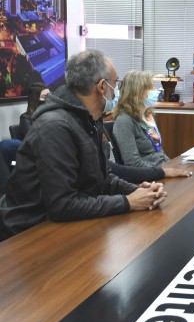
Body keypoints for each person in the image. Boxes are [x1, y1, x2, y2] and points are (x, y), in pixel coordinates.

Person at [0, 49, 167, 240]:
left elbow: (103, 178)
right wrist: (128, 202)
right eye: (116, 83)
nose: (118, 90)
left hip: (63, 226)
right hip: (28, 235)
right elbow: (63, 205)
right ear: (102, 87)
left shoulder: (89, 119)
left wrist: (137, 191)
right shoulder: (55, 127)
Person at [112, 70, 169, 167]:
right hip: (149, 177)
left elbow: (158, 151)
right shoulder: (124, 121)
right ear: (138, 92)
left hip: (161, 168)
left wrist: (173, 165)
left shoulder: (147, 115)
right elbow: (133, 163)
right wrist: (163, 172)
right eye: (151, 87)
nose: (155, 91)